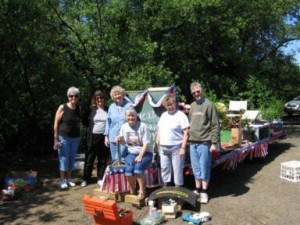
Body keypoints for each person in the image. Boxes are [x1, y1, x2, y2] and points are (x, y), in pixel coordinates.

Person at [188, 82, 220, 204]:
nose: (197, 94)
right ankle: (197, 188)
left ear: (202, 91)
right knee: (195, 168)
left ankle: (204, 192)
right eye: (194, 92)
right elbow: (190, 122)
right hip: (193, 142)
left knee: (204, 167)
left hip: (205, 142)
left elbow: (215, 125)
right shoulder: (192, 105)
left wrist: (214, 143)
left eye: (198, 91)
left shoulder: (209, 105)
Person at [115, 108, 153, 200]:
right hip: (131, 153)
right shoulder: (124, 127)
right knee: (128, 170)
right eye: (129, 116)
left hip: (145, 153)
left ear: (136, 116)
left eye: (133, 115)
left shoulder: (143, 126)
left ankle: (142, 191)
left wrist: (140, 155)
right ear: (125, 117)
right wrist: (120, 139)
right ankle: (132, 190)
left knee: (138, 168)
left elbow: (146, 143)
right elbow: (124, 143)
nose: (131, 118)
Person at [154, 95, 189, 187]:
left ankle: (178, 190)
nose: (170, 106)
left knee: (177, 169)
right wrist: (157, 144)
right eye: (167, 105)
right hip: (164, 147)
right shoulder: (163, 115)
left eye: (171, 104)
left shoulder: (181, 115)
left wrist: (183, 148)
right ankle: (166, 188)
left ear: (175, 104)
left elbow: (186, 133)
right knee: (164, 168)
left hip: (177, 147)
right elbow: (159, 131)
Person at [80, 90, 110, 187]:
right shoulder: (91, 109)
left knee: (102, 159)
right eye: (97, 98)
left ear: (104, 99)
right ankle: (86, 179)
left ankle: (100, 178)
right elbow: (84, 121)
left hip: (104, 137)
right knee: (89, 159)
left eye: (101, 97)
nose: (99, 100)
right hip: (92, 137)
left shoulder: (108, 109)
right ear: (95, 100)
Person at [53, 86, 81, 190]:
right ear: (68, 97)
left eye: (75, 96)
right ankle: (62, 180)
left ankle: (69, 178)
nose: (73, 98)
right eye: (71, 96)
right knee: (64, 158)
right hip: (63, 136)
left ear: (78, 97)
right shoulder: (62, 107)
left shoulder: (78, 107)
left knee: (72, 158)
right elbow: (56, 123)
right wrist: (55, 138)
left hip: (75, 137)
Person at [104, 85, 132, 162]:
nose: (117, 96)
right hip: (112, 136)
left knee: (122, 158)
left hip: (124, 137)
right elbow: (108, 122)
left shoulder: (129, 106)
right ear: (113, 96)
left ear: (123, 94)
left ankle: (123, 173)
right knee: (114, 159)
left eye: (119, 94)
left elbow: (133, 120)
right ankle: (116, 174)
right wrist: (106, 136)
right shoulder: (111, 107)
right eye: (115, 95)